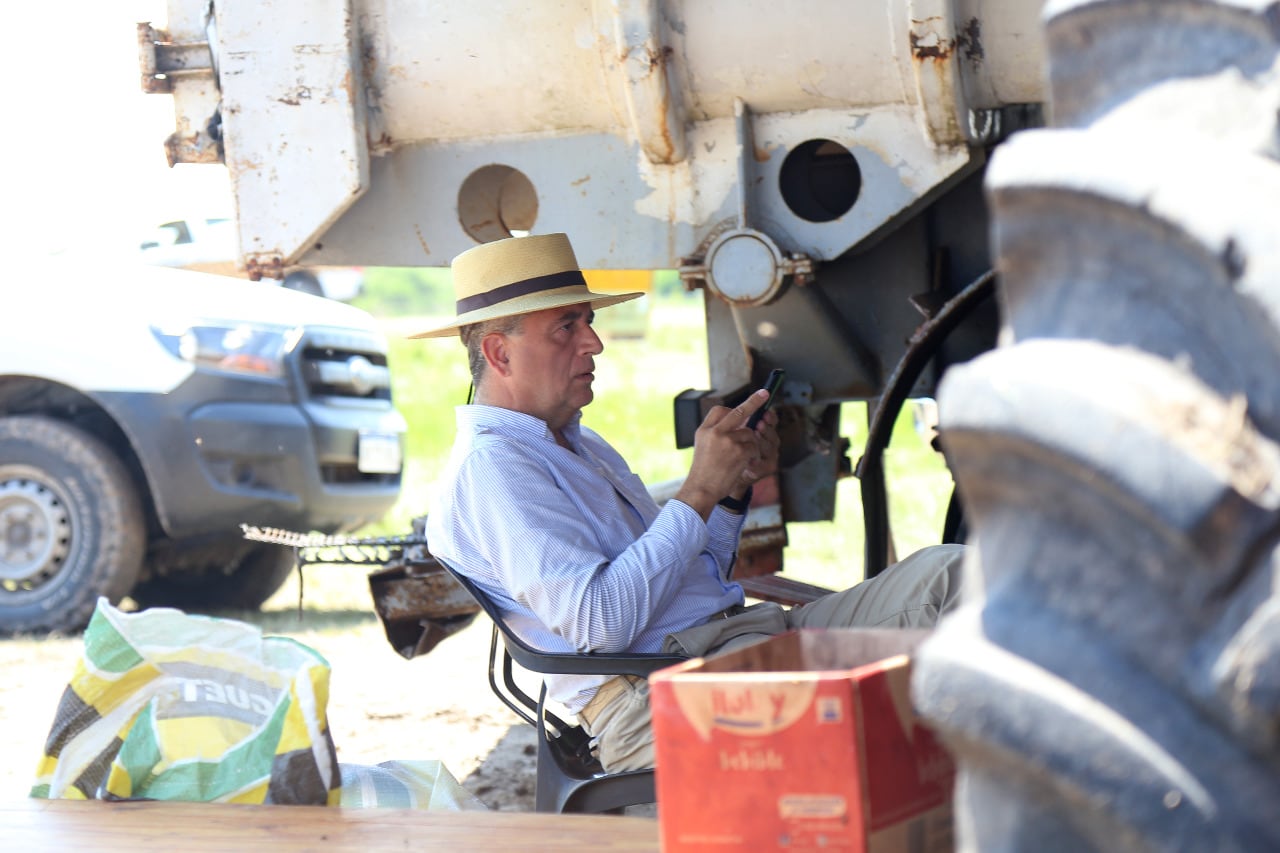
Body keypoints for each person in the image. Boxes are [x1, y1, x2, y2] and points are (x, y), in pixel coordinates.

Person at [416, 233, 964, 772]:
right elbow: (600, 623)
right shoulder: (493, 469)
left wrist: (728, 492)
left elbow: (695, 580)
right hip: (661, 697)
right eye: (566, 327)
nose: (594, 343)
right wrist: (698, 491)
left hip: (728, 651)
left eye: (589, 321)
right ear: (498, 353)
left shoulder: (573, 442)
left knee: (951, 575)